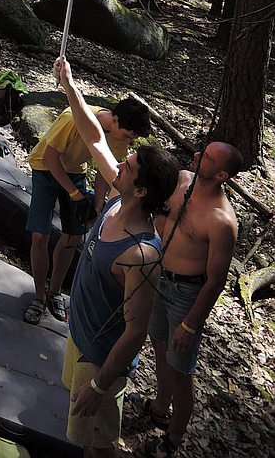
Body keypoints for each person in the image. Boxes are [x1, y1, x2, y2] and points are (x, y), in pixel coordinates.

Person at [55, 56, 179, 458]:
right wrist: (71, 88)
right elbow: (94, 138)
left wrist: (99, 384)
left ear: (141, 190)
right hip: (80, 336)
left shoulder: (142, 255)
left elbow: (136, 332)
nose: (118, 162)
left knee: (99, 445)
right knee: (83, 435)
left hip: (99, 363)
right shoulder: (116, 200)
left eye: (127, 166)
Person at [140, 142, 241, 457]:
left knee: (181, 369)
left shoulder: (222, 221)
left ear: (222, 174)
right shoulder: (183, 180)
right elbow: (159, 215)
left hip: (186, 294)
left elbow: (216, 281)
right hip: (160, 278)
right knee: (158, 345)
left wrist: (189, 323)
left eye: (207, 158)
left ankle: (172, 440)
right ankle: (159, 405)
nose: (197, 156)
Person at [24, 94, 152, 325]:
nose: (127, 141)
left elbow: (108, 171)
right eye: (126, 136)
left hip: (75, 171)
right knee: (39, 234)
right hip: (44, 167)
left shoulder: (120, 135)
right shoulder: (72, 118)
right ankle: (39, 296)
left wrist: (98, 204)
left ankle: (54, 292)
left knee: (73, 236)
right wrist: (74, 193)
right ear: (114, 119)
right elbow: (50, 158)